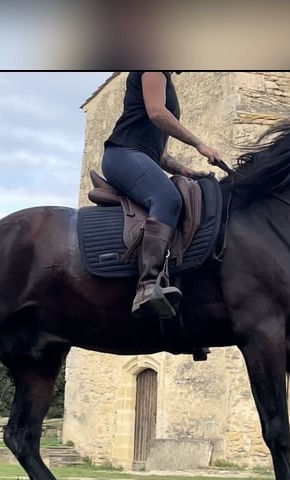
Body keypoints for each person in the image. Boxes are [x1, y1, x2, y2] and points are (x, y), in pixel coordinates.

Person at [102, 72, 222, 319]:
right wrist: (200, 144)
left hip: (143, 158)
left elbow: (162, 156)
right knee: (167, 199)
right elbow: (156, 113)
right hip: (123, 154)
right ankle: (147, 285)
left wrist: (189, 171)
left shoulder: (168, 82)